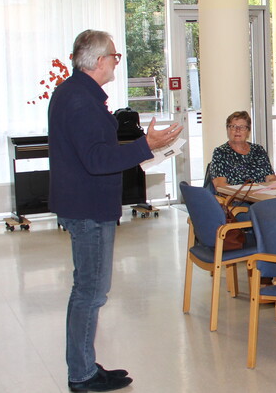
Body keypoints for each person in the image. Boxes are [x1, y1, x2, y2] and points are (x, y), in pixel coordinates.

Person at [48, 29, 182, 392]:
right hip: (88, 208)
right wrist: (145, 145)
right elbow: (97, 159)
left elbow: (96, 150)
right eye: (114, 56)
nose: (116, 62)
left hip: (89, 205)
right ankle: (81, 374)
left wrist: (145, 145)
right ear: (97, 60)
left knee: (90, 290)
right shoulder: (78, 100)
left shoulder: (79, 94)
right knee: (90, 292)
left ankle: (85, 365)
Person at [208, 111, 276, 188]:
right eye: (233, 126)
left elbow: (271, 178)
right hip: (236, 197)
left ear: (248, 131)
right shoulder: (221, 152)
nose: (238, 130)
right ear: (227, 130)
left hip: (260, 195)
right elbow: (220, 185)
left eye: (242, 127)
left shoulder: (258, 150)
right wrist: (243, 194)